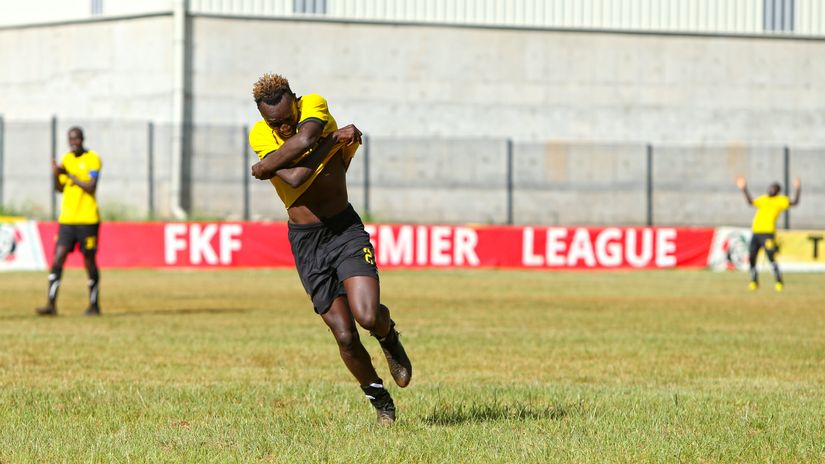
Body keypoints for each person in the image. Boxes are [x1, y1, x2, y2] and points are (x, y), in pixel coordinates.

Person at [247, 74, 412, 426]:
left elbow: (304, 142)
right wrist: (334, 141)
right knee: (345, 335)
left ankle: (388, 336)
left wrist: (270, 165)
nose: (283, 127)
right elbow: (295, 179)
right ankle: (380, 400)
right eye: (275, 123)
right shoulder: (259, 134)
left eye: (287, 118)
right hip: (307, 243)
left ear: (296, 101)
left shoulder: (314, 104)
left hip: (344, 229)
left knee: (367, 315)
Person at [37, 127, 103, 316]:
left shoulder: (93, 159)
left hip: (88, 219)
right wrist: (56, 174)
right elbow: (60, 189)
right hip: (67, 220)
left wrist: (70, 175)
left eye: (76, 138)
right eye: (70, 139)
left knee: (89, 260)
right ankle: (51, 305)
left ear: (82, 139)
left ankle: (94, 305)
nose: (73, 142)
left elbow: (91, 186)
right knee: (58, 258)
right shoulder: (66, 159)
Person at [736, 176, 801, 291]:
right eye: (770, 188)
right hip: (756, 233)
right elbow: (750, 202)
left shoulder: (781, 200)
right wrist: (743, 188)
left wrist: (798, 188)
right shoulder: (763, 199)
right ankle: (754, 281)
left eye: (773, 188)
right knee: (752, 257)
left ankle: (779, 281)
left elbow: (795, 202)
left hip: (768, 234)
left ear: (777, 191)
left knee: (771, 257)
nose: (771, 189)